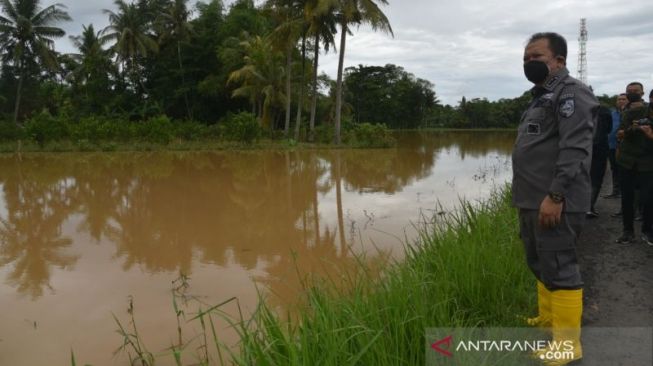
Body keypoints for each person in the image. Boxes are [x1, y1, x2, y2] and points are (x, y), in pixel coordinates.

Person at [513, 32, 598, 366]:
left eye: (536, 57)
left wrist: (556, 194)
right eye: (525, 59)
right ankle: (547, 319)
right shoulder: (541, 97)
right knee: (540, 260)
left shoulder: (571, 93)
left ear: (559, 60)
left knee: (560, 265)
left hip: (555, 200)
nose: (529, 63)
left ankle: (567, 346)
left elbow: (575, 148)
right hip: (532, 199)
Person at [614, 82, 653, 244]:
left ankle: (647, 230)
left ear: (643, 93)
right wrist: (635, 128)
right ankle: (628, 231)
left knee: (648, 198)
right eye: (629, 91)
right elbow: (621, 133)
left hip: (648, 161)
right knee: (627, 197)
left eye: (634, 91)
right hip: (628, 160)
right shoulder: (633, 111)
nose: (631, 94)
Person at [587, 105, 612, 217]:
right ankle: (589, 207)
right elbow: (609, 129)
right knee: (596, 178)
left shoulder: (577, 108)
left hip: (581, 147)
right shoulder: (605, 110)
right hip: (600, 148)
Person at [604, 94, 628, 199]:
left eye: (624, 99)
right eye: (619, 99)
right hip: (612, 146)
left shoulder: (630, 114)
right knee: (614, 169)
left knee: (625, 171)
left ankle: (625, 194)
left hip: (626, 149)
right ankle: (615, 191)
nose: (621, 101)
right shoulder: (611, 113)